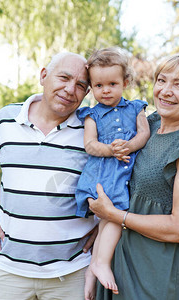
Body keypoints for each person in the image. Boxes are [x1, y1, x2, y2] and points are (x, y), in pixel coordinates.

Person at [88, 53, 179, 299]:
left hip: (161, 266)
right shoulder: (146, 126)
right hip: (120, 255)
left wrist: (114, 215)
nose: (165, 91)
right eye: (162, 80)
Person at [0, 52, 99, 300]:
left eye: (81, 85)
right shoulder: (4, 120)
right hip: (9, 266)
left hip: (72, 269)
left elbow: (117, 180)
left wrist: (104, 225)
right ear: (43, 75)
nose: (70, 89)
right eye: (64, 77)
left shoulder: (91, 130)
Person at [73, 47, 150, 299]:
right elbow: (90, 145)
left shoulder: (136, 108)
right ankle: (101, 262)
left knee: (109, 218)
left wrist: (129, 146)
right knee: (114, 215)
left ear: (125, 82)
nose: (105, 90)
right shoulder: (91, 114)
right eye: (98, 85)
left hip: (123, 173)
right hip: (102, 173)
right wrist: (110, 149)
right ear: (91, 87)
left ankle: (92, 268)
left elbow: (144, 134)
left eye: (112, 84)